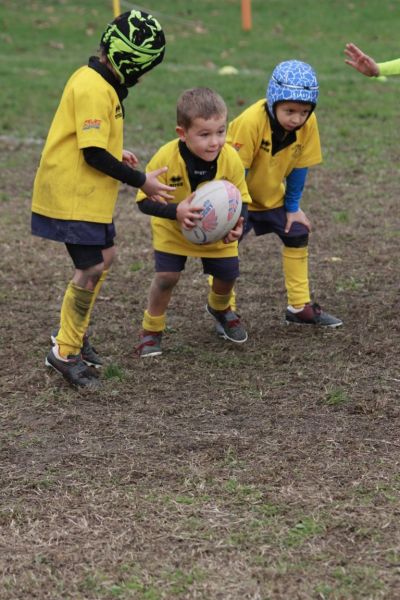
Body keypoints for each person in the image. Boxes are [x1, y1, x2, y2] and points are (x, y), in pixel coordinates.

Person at [31, 10, 174, 388]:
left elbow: (94, 142)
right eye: (145, 69)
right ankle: (64, 352)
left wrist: (117, 149)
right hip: (72, 196)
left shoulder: (100, 83)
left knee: (105, 258)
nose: (143, 78)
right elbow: (92, 154)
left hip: (89, 196)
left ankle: (74, 334)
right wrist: (142, 180)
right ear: (130, 62)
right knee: (91, 269)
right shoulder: (93, 87)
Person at [225, 60, 343, 328]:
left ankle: (299, 306)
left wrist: (292, 207)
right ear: (273, 100)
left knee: (298, 231)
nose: (296, 119)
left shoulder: (307, 123)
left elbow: (300, 167)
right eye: (289, 110)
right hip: (237, 195)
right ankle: (224, 309)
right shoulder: (250, 122)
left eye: (303, 112)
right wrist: (234, 213)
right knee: (225, 245)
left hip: (271, 197)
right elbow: (236, 172)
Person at [135, 87, 251, 357]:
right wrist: (175, 211)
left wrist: (239, 222)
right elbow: (142, 200)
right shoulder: (165, 158)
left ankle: (220, 309)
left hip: (218, 233)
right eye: (205, 134)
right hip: (172, 230)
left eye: (221, 131)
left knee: (227, 274)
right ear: (182, 133)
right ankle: (151, 330)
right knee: (166, 278)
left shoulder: (230, 158)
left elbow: (242, 197)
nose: (215, 142)